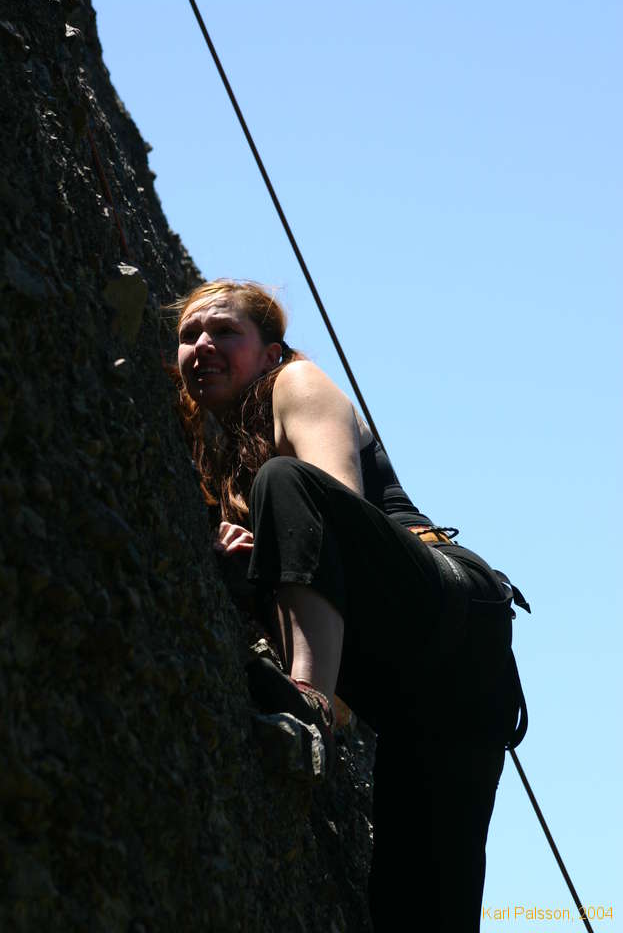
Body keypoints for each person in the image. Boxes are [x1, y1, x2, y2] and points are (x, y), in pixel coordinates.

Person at [164, 278, 529, 933]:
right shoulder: (219, 457)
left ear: (270, 352)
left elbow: (335, 503)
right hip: (439, 705)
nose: (203, 345)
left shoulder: (295, 385)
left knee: (284, 479)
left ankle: (309, 700)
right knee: (412, 910)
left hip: (450, 607)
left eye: (224, 331)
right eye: (190, 335)